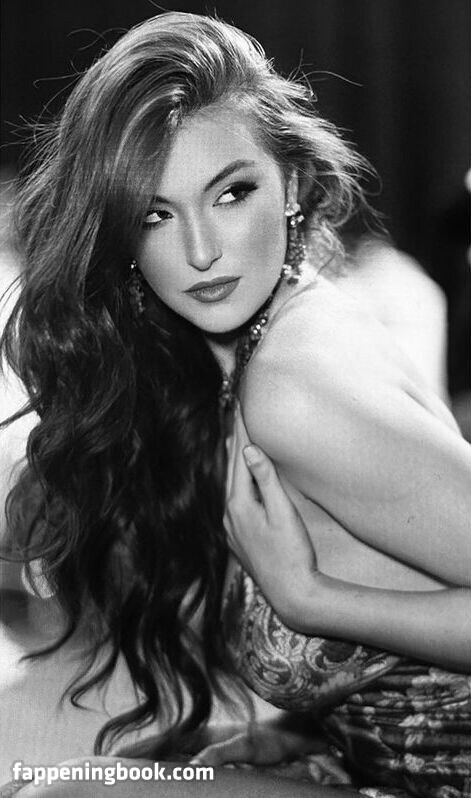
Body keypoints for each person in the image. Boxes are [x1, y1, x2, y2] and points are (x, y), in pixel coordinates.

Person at [0, 11, 470, 798]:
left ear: (291, 185)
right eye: (154, 214)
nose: (201, 252)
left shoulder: (296, 387)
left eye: (231, 193)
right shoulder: (276, 326)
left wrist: (314, 601)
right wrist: (297, 731)